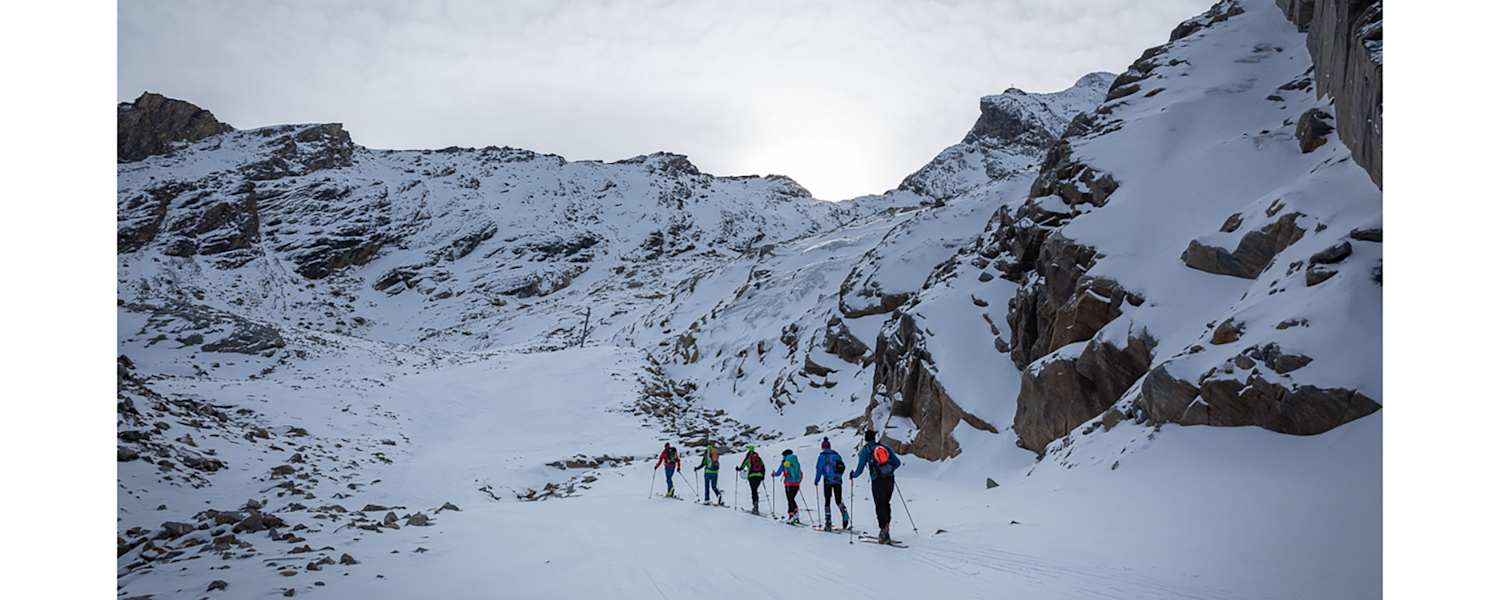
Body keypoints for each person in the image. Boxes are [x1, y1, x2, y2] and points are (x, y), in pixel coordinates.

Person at [850, 430, 902, 543]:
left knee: (879, 504)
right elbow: (897, 462)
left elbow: (860, 469)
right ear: (874, 437)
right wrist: (889, 470)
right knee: (886, 503)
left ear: (866, 439)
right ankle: (887, 528)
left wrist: (853, 475)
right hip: (889, 479)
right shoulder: (884, 447)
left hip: (877, 481)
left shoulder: (866, 450)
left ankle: (883, 531)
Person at [812, 437, 849, 531]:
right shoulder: (837, 455)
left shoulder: (822, 456)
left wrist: (817, 480)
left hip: (827, 481)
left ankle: (828, 522)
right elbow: (841, 467)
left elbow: (819, 469)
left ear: (823, 447)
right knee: (838, 500)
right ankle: (844, 514)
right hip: (837, 480)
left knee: (827, 500)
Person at [772, 449, 804, 524]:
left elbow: (779, 472)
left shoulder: (785, 461)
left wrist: (774, 474)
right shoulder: (796, 461)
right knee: (792, 499)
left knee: (790, 499)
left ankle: (791, 516)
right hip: (797, 483)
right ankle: (795, 514)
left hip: (789, 483)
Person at [735, 445, 767, 513]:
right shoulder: (759, 458)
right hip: (759, 476)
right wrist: (763, 476)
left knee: (754, 491)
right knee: (755, 490)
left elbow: (742, 467)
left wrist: (738, 469)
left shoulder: (748, 458)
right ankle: (756, 505)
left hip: (752, 476)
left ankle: (755, 506)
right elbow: (763, 467)